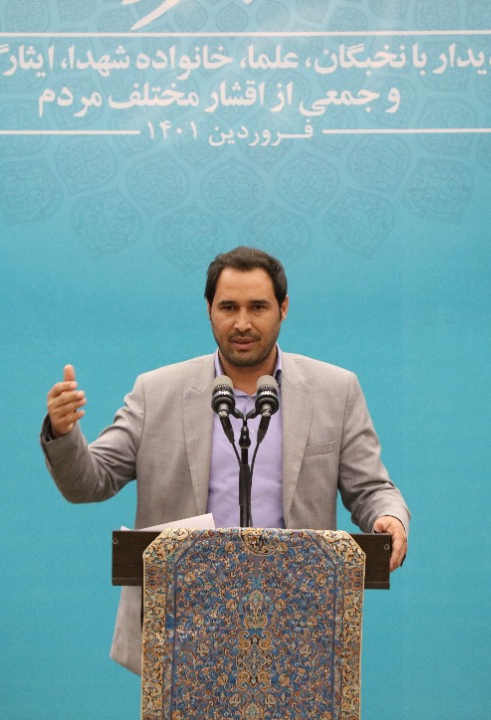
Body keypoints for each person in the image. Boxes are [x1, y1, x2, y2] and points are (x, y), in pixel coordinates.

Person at [41, 246, 409, 673]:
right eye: (228, 307)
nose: (242, 323)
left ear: (284, 308)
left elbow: (371, 489)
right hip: (182, 629)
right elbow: (90, 482)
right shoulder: (155, 392)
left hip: (298, 628)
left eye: (258, 307)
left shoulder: (336, 390)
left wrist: (389, 517)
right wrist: (64, 434)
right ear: (209, 310)